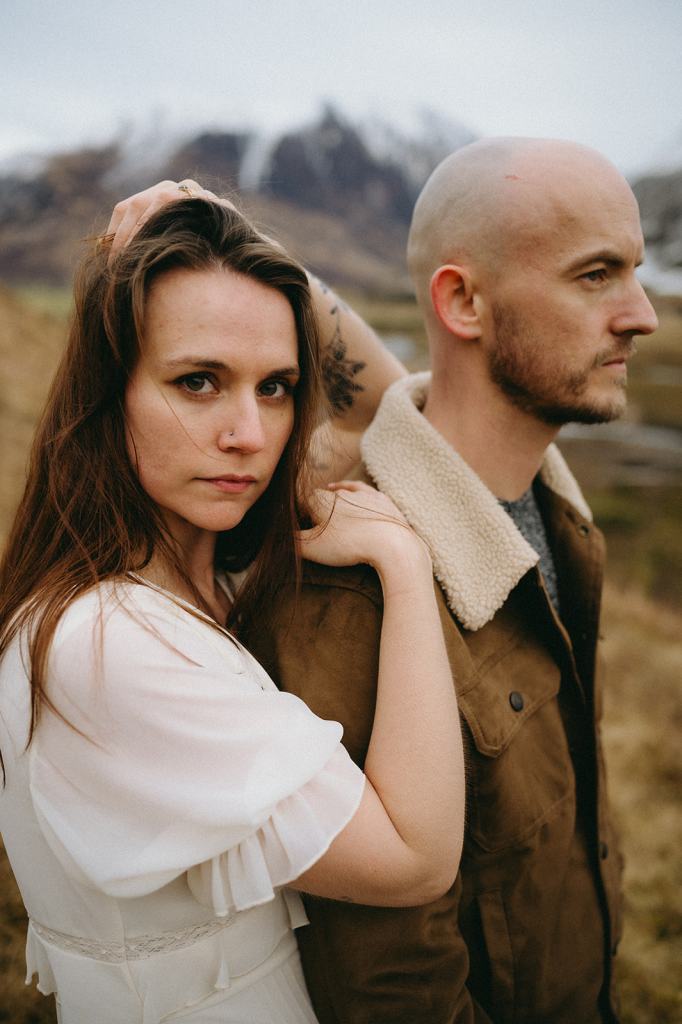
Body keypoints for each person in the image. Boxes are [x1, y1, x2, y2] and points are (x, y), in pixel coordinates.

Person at [0, 196, 466, 1023]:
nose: (249, 433)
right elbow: (415, 859)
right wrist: (403, 562)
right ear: (110, 395)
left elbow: (409, 424)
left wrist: (226, 225)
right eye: (198, 382)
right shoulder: (106, 647)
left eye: (278, 387)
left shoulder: (193, 584)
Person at [244, 138, 658, 1023]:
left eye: (637, 272)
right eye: (596, 276)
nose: (642, 314)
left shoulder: (551, 511)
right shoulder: (358, 592)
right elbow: (390, 985)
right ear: (463, 301)